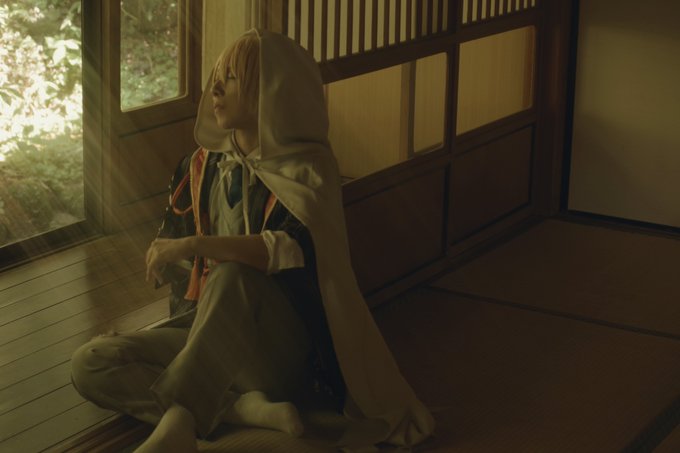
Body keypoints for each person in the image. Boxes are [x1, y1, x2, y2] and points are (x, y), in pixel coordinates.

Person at [71, 29, 434, 452]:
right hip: (209, 337)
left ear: (271, 90)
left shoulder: (307, 169)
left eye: (232, 78)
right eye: (217, 76)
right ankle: (241, 410)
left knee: (234, 276)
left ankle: (183, 418)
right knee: (90, 362)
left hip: (279, 348)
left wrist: (196, 245)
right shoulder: (201, 165)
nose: (216, 89)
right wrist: (151, 303)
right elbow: (175, 266)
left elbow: (287, 251)